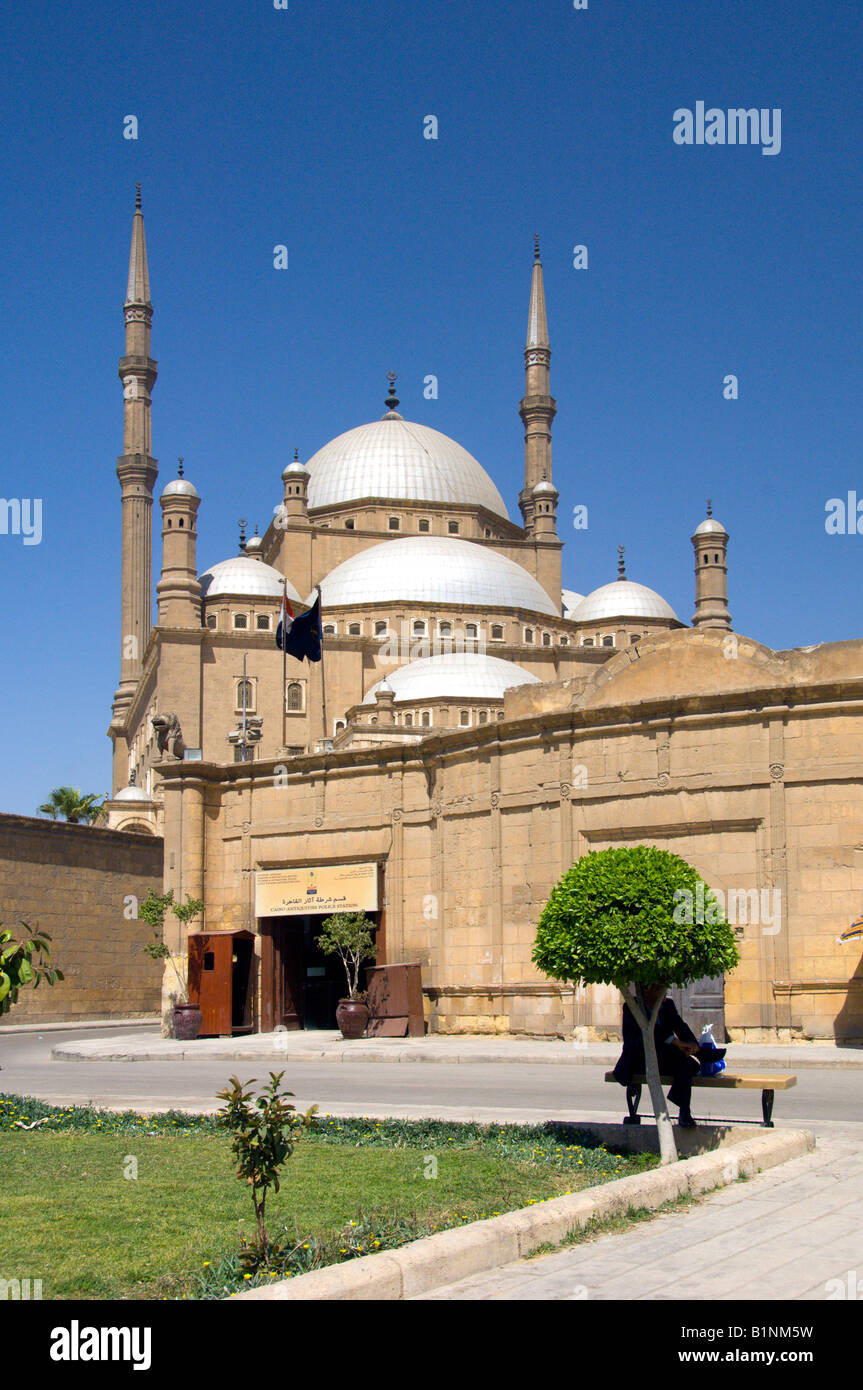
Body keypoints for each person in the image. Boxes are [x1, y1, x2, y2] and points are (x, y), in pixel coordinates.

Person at [612, 983, 701, 1127]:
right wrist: (676, 1042)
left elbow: (680, 1026)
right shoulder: (632, 1007)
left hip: (663, 1057)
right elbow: (648, 1032)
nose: (664, 991)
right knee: (679, 1056)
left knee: (688, 1065)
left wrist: (692, 1044)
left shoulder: (667, 1005)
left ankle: (684, 1111)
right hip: (640, 1059)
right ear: (646, 990)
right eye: (659, 987)